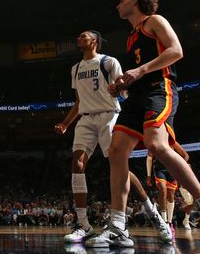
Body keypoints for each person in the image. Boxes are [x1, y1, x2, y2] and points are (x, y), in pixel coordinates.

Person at [87, 0, 200, 248]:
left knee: (157, 145)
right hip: (138, 94)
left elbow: (176, 51)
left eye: (121, 0)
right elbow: (139, 71)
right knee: (116, 150)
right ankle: (118, 226)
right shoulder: (132, 36)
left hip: (159, 89)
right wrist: (123, 82)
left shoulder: (154, 21)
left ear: (135, 0)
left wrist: (140, 71)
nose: (117, 5)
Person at [53, 30, 124, 243]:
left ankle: (143, 211)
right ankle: (83, 224)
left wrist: (118, 89)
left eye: (83, 36)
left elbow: (124, 88)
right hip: (85, 118)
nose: (78, 39)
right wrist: (66, 123)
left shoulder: (109, 62)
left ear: (93, 41)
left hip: (108, 115)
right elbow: (79, 101)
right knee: (77, 163)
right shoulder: (75, 69)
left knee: (117, 163)